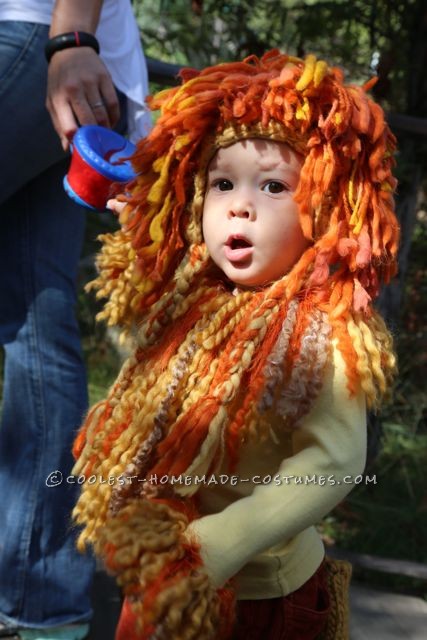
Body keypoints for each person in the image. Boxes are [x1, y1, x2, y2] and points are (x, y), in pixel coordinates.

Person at [71, 50, 399, 640]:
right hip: (160, 577)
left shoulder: (322, 331)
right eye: (222, 183)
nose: (239, 204)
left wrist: (207, 551)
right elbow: (142, 356)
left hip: (255, 596)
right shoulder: (190, 298)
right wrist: (142, 242)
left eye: (273, 185)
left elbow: (334, 463)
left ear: (323, 211)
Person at [0, 1, 150, 639]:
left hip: (43, 38)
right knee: (39, 326)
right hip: (78, 60)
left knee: (40, 332)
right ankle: (45, 612)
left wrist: (71, 36)